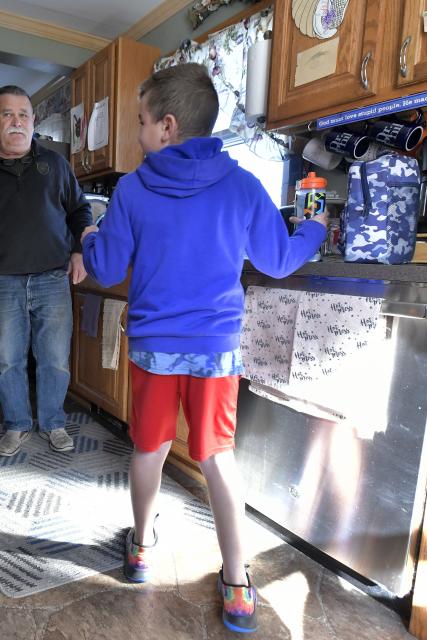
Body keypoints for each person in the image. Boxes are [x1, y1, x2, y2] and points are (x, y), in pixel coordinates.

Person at [81, 63, 327, 633]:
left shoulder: (133, 189)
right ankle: (238, 583)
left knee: (150, 449)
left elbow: (110, 266)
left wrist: (91, 240)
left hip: (154, 350)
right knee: (217, 458)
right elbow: (278, 260)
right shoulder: (243, 185)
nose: (139, 133)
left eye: (141, 122)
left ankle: (141, 547)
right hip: (215, 349)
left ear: (166, 127)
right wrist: (312, 230)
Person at [0, 85, 92, 457]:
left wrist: (79, 251)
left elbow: (80, 211)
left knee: (54, 358)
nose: (16, 122)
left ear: (33, 121)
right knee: (8, 358)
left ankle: (53, 422)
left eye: (23, 114)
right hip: (2, 280)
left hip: (53, 278)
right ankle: (16, 424)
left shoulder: (56, 165)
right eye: (7, 114)